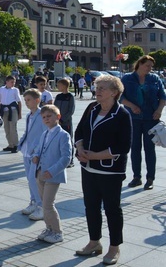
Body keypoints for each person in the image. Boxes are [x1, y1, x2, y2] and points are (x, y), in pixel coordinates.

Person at [74, 75, 132, 265]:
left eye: (103, 88)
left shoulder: (122, 114)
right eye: (97, 87)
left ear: (114, 93)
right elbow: (80, 131)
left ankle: (114, 247)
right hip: (88, 168)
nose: (97, 90)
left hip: (110, 171)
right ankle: (94, 242)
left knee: (112, 209)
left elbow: (123, 147)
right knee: (91, 207)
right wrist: (81, 149)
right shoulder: (92, 108)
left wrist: (95, 156)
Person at [120, 55, 166, 190]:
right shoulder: (127, 78)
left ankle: (150, 178)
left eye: (151, 66)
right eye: (148, 66)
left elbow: (163, 97)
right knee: (135, 148)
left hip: (151, 119)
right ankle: (136, 177)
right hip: (133, 119)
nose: (150, 69)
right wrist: (131, 105)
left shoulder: (155, 79)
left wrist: (159, 110)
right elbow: (120, 97)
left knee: (149, 149)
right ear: (140, 64)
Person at [31, 105, 72, 244]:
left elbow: (66, 157)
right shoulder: (45, 133)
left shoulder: (63, 135)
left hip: (53, 175)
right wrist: (36, 156)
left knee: (48, 204)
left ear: (58, 117)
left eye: (49, 116)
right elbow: (39, 149)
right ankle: (49, 228)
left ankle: (57, 232)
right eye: (44, 117)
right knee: (44, 204)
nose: (46, 119)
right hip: (40, 172)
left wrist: (53, 170)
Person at [19, 89, 47, 221]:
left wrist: (38, 151)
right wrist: (21, 143)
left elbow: (45, 134)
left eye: (28, 100)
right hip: (27, 151)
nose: (26, 103)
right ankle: (33, 202)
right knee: (30, 180)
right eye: (25, 100)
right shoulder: (29, 115)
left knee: (36, 180)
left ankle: (41, 207)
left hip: (36, 153)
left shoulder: (43, 115)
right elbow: (28, 131)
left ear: (37, 100)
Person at [0, 75, 23, 153]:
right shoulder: (1, 89)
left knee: (13, 128)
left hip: (13, 110)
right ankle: (10, 145)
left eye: (14, 82)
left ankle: (16, 145)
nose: (13, 83)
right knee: (6, 128)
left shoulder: (15, 90)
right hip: (4, 110)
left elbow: (19, 102)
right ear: (6, 82)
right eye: (11, 82)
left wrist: (20, 113)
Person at [54, 78, 76, 168]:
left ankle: (70, 160)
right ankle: (59, 158)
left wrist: (62, 119)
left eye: (59, 85)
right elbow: (54, 108)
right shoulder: (58, 96)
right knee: (58, 140)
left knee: (68, 140)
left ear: (64, 86)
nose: (58, 87)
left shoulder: (70, 97)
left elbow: (71, 110)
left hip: (66, 123)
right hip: (57, 122)